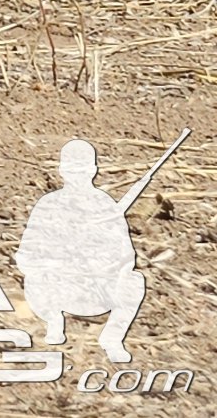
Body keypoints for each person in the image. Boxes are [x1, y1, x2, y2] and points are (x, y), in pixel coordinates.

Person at [18, 140, 150, 363]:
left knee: (134, 282)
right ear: (62, 171)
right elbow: (26, 254)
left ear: (93, 171)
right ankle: (53, 322)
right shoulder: (48, 204)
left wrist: (102, 264)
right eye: (72, 170)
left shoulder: (105, 205)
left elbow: (127, 256)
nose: (78, 177)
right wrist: (57, 261)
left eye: (83, 170)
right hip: (57, 288)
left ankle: (112, 338)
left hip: (95, 288)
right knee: (36, 278)